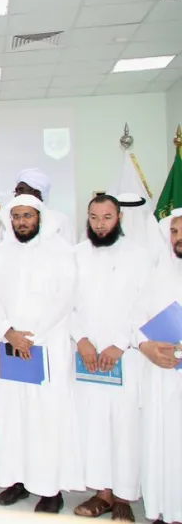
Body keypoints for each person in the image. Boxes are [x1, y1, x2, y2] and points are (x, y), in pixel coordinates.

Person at [0, 194, 83, 513]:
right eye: (16, 216)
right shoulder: (2, 253)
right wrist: (8, 332)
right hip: (10, 346)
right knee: (13, 414)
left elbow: (65, 298)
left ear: (39, 217)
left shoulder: (61, 251)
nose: (21, 222)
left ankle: (49, 488)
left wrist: (33, 336)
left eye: (27, 216)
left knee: (47, 416)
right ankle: (17, 479)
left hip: (47, 347)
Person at [69, 195, 151, 520]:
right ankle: (102, 493)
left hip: (125, 357)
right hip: (87, 357)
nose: (100, 224)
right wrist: (82, 339)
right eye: (94, 217)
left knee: (125, 425)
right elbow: (68, 302)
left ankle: (124, 497)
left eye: (106, 217)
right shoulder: (76, 255)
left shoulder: (139, 255)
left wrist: (120, 343)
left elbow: (144, 304)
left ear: (119, 218)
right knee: (93, 424)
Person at [135, 211, 182, 524]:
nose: (178, 237)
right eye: (174, 231)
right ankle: (163, 510)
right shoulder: (157, 274)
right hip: (158, 371)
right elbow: (136, 319)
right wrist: (145, 346)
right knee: (161, 441)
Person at [15, 168, 74, 244]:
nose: (17, 195)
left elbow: (68, 252)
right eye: (16, 191)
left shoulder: (60, 221)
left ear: (36, 193)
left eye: (21, 190)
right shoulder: (12, 221)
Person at [116, 192, 167, 266]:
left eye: (132, 210)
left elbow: (160, 256)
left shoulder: (151, 224)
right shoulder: (108, 228)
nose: (129, 214)